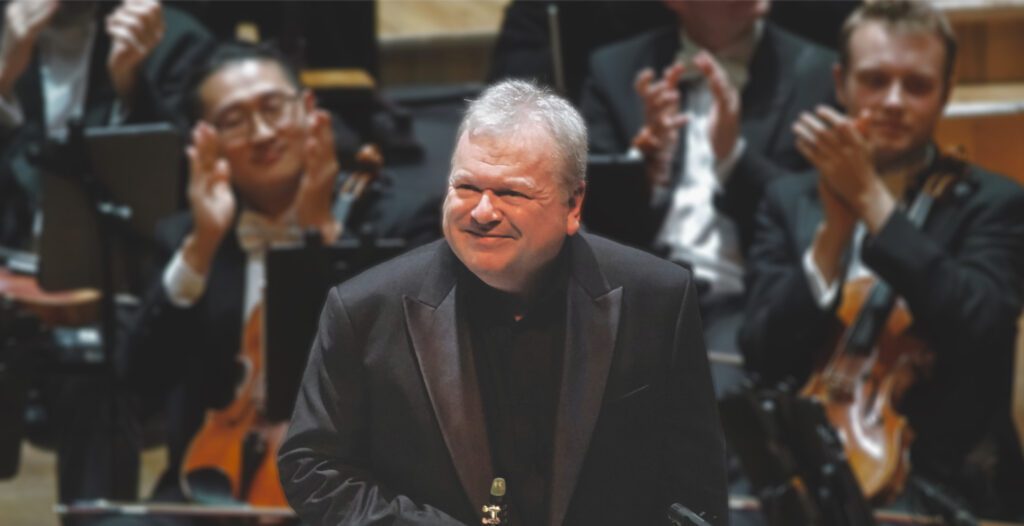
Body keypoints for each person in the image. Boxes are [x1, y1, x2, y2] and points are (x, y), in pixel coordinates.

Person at [278, 79, 728, 526]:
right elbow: (312, 465)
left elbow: (695, 492)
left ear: (573, 205)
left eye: (510, 193)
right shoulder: (363, 309)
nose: (482, 212)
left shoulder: (657, 298)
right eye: (467, 187)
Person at [739, 0, 1024, 518]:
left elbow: (980, 328)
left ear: (946, 92)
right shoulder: (788, 198)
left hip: (941, 477)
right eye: (875, 80)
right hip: (802, 468)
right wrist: (833, 235)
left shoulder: (994, 203)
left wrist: (871, 202)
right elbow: (761, 351)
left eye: (916, 85)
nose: (893, 101)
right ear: (841, 82)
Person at [115, 42, 345, 522]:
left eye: (272, 108)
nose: (262, 133)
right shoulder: (186, 237)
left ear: (307, 110)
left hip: (347, 487)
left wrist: (319, 244)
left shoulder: (386, 216)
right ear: (206, 140)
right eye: (235, 120)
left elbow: (399, 376)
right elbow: (139, 381)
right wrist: (201, 246)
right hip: (214, 486)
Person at [578, 0, 835, 378]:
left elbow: (813, 218)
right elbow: (588, 215)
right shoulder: (614, 69)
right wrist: (647, 171)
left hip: (748, 300)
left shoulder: (818, 74)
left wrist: (734, 158)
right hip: (638, 292)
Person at [0, 0, 212, 250]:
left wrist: (131, 87)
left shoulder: (174, 39)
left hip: (124, 268)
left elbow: (182, 191)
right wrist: (4, 77)